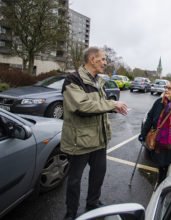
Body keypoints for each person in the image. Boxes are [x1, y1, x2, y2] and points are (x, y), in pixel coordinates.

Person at [61, 47, 128, 220]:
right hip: (80, 141)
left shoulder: (98, 80)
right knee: (74, 181)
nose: (106, 63)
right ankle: (71, 213)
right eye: (103, 59)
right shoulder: (73, 80)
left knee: (98, 174)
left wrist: (112, 108)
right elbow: (82, 106)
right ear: (92, 59)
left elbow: (99, 103)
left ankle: (92, 203)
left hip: (99, 139)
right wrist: (113, 105)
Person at [139, 81, 171, 184]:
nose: (166, 90)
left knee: (170, 168)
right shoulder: (158, 103)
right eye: (166, 87)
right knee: (160, 166)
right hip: (159, 143)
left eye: (169, 88)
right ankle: (160, 180)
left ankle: (167, 183)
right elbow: (150, 118)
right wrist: (143, 133)